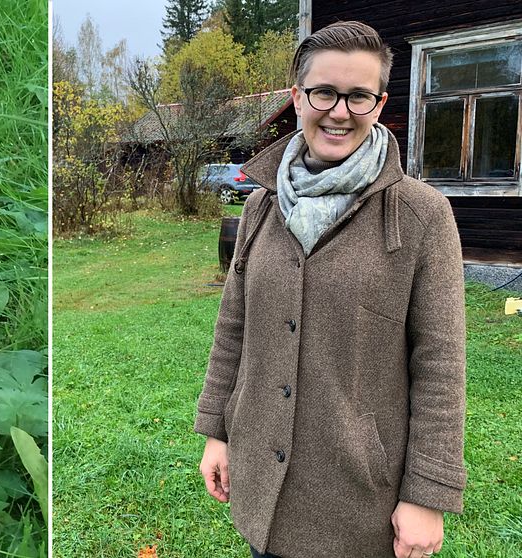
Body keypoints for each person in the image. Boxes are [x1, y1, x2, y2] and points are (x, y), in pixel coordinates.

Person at [194, 21, 466, 558]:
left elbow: (440, 363)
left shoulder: (422, 216)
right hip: (263, 483)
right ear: (297, 97)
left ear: (379, 103)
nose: (339, 111)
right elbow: (234, 328)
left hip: (358, 501)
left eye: (358, 96)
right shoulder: (260, 207)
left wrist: (427, 495)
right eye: (323, 92)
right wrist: (217, 431)